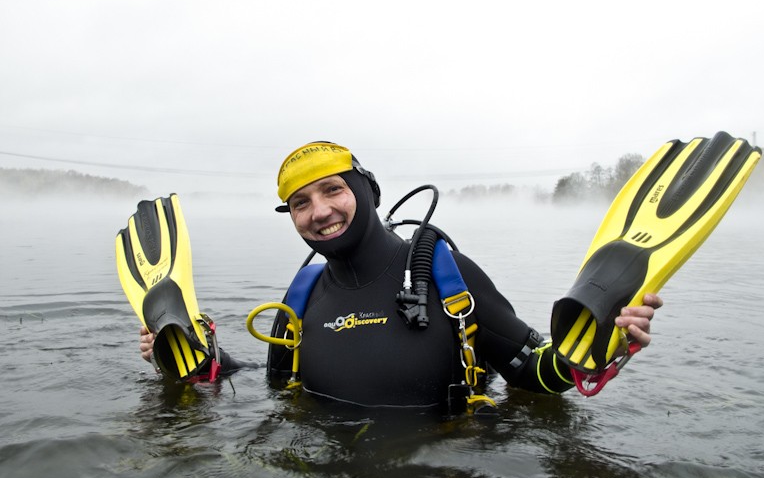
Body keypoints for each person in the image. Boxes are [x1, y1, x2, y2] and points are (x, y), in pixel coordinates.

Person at [140, 142, 662, 411]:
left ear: (367, 192)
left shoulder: (441, 272)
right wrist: (194, 353)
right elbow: (271, 385)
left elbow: (531, 373)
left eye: (332, 191)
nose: (318, 212)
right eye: (300, 204)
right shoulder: (302, 296)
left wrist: (600, 343)